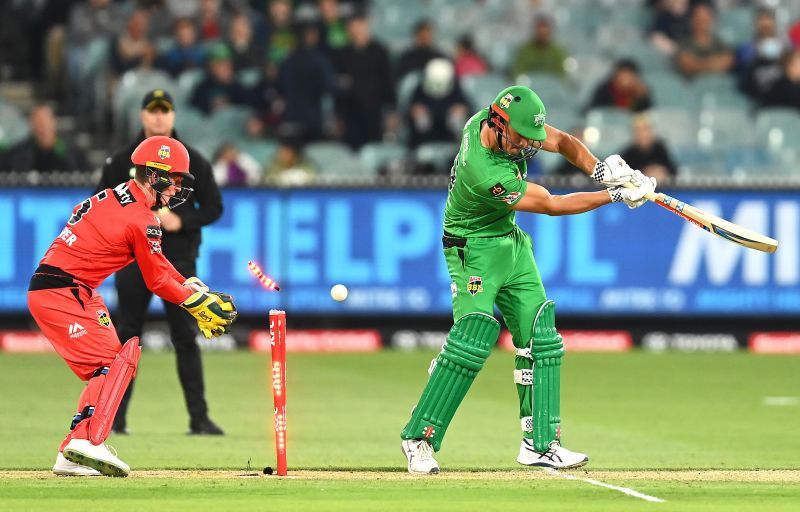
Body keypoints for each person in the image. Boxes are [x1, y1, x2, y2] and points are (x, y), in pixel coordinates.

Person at [399, 85, 656, 474]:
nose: (528, 146)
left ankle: (540, 444)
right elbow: (552, 204)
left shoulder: (501, 123)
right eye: (521, 138)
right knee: (473, 337)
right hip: (473, 250)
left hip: (510, 243)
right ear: (500, 126)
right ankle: (418, 439)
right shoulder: (484, 171)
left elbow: (565, 141)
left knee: (541, 334)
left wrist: (602, 170)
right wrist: (615, 195)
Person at [29, 135, 237, 477]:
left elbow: (158, 265)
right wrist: (197, 302)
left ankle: (72, 452)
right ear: (155, 175)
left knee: (112, 361)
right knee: (114, 362)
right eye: (175, 180)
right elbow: (156, 279)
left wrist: (189, 288)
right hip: (63, 291)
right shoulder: (142, 218)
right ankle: (86, 442)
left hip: (68, 288)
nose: (176, 189)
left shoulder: (117, 197)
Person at [94, 89, 225, 436]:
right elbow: (100, 206)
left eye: (164, 110)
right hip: (134, 260)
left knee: (185, 336)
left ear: (173, 116)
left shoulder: (194, 161)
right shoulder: (121, 162)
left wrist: (182, 222)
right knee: (126, 338)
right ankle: (114, 420)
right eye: (152, 110)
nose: (158, 117)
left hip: (178, 260)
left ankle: (199, 418)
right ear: (142, 116)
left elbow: (214, 208)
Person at [1, 104, 89, 173]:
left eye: (45, 124)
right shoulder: (17, 155)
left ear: (54, 122)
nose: (42, 129)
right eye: (38, 124)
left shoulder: (73, 153)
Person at [620, 114, 677, 181]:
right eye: (639, 131)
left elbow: (673, 172)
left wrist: (662, 172)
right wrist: (644, 174)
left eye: (645, 129)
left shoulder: (661, 150)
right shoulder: (628, 155)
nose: (643, 134)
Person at [510, 15, 568, 79]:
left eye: (545, 33)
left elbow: (560, 77)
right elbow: (518, 74)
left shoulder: (557, 52)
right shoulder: (524, 51)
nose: (542, 35)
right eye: (539, 32)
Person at [586, 59, 653, 113]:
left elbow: (645, 114)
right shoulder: (605, 90)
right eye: (623, 76)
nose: (626, 81)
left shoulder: (639, 94)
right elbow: (596, 110)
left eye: (630, 77)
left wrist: (641, 98)